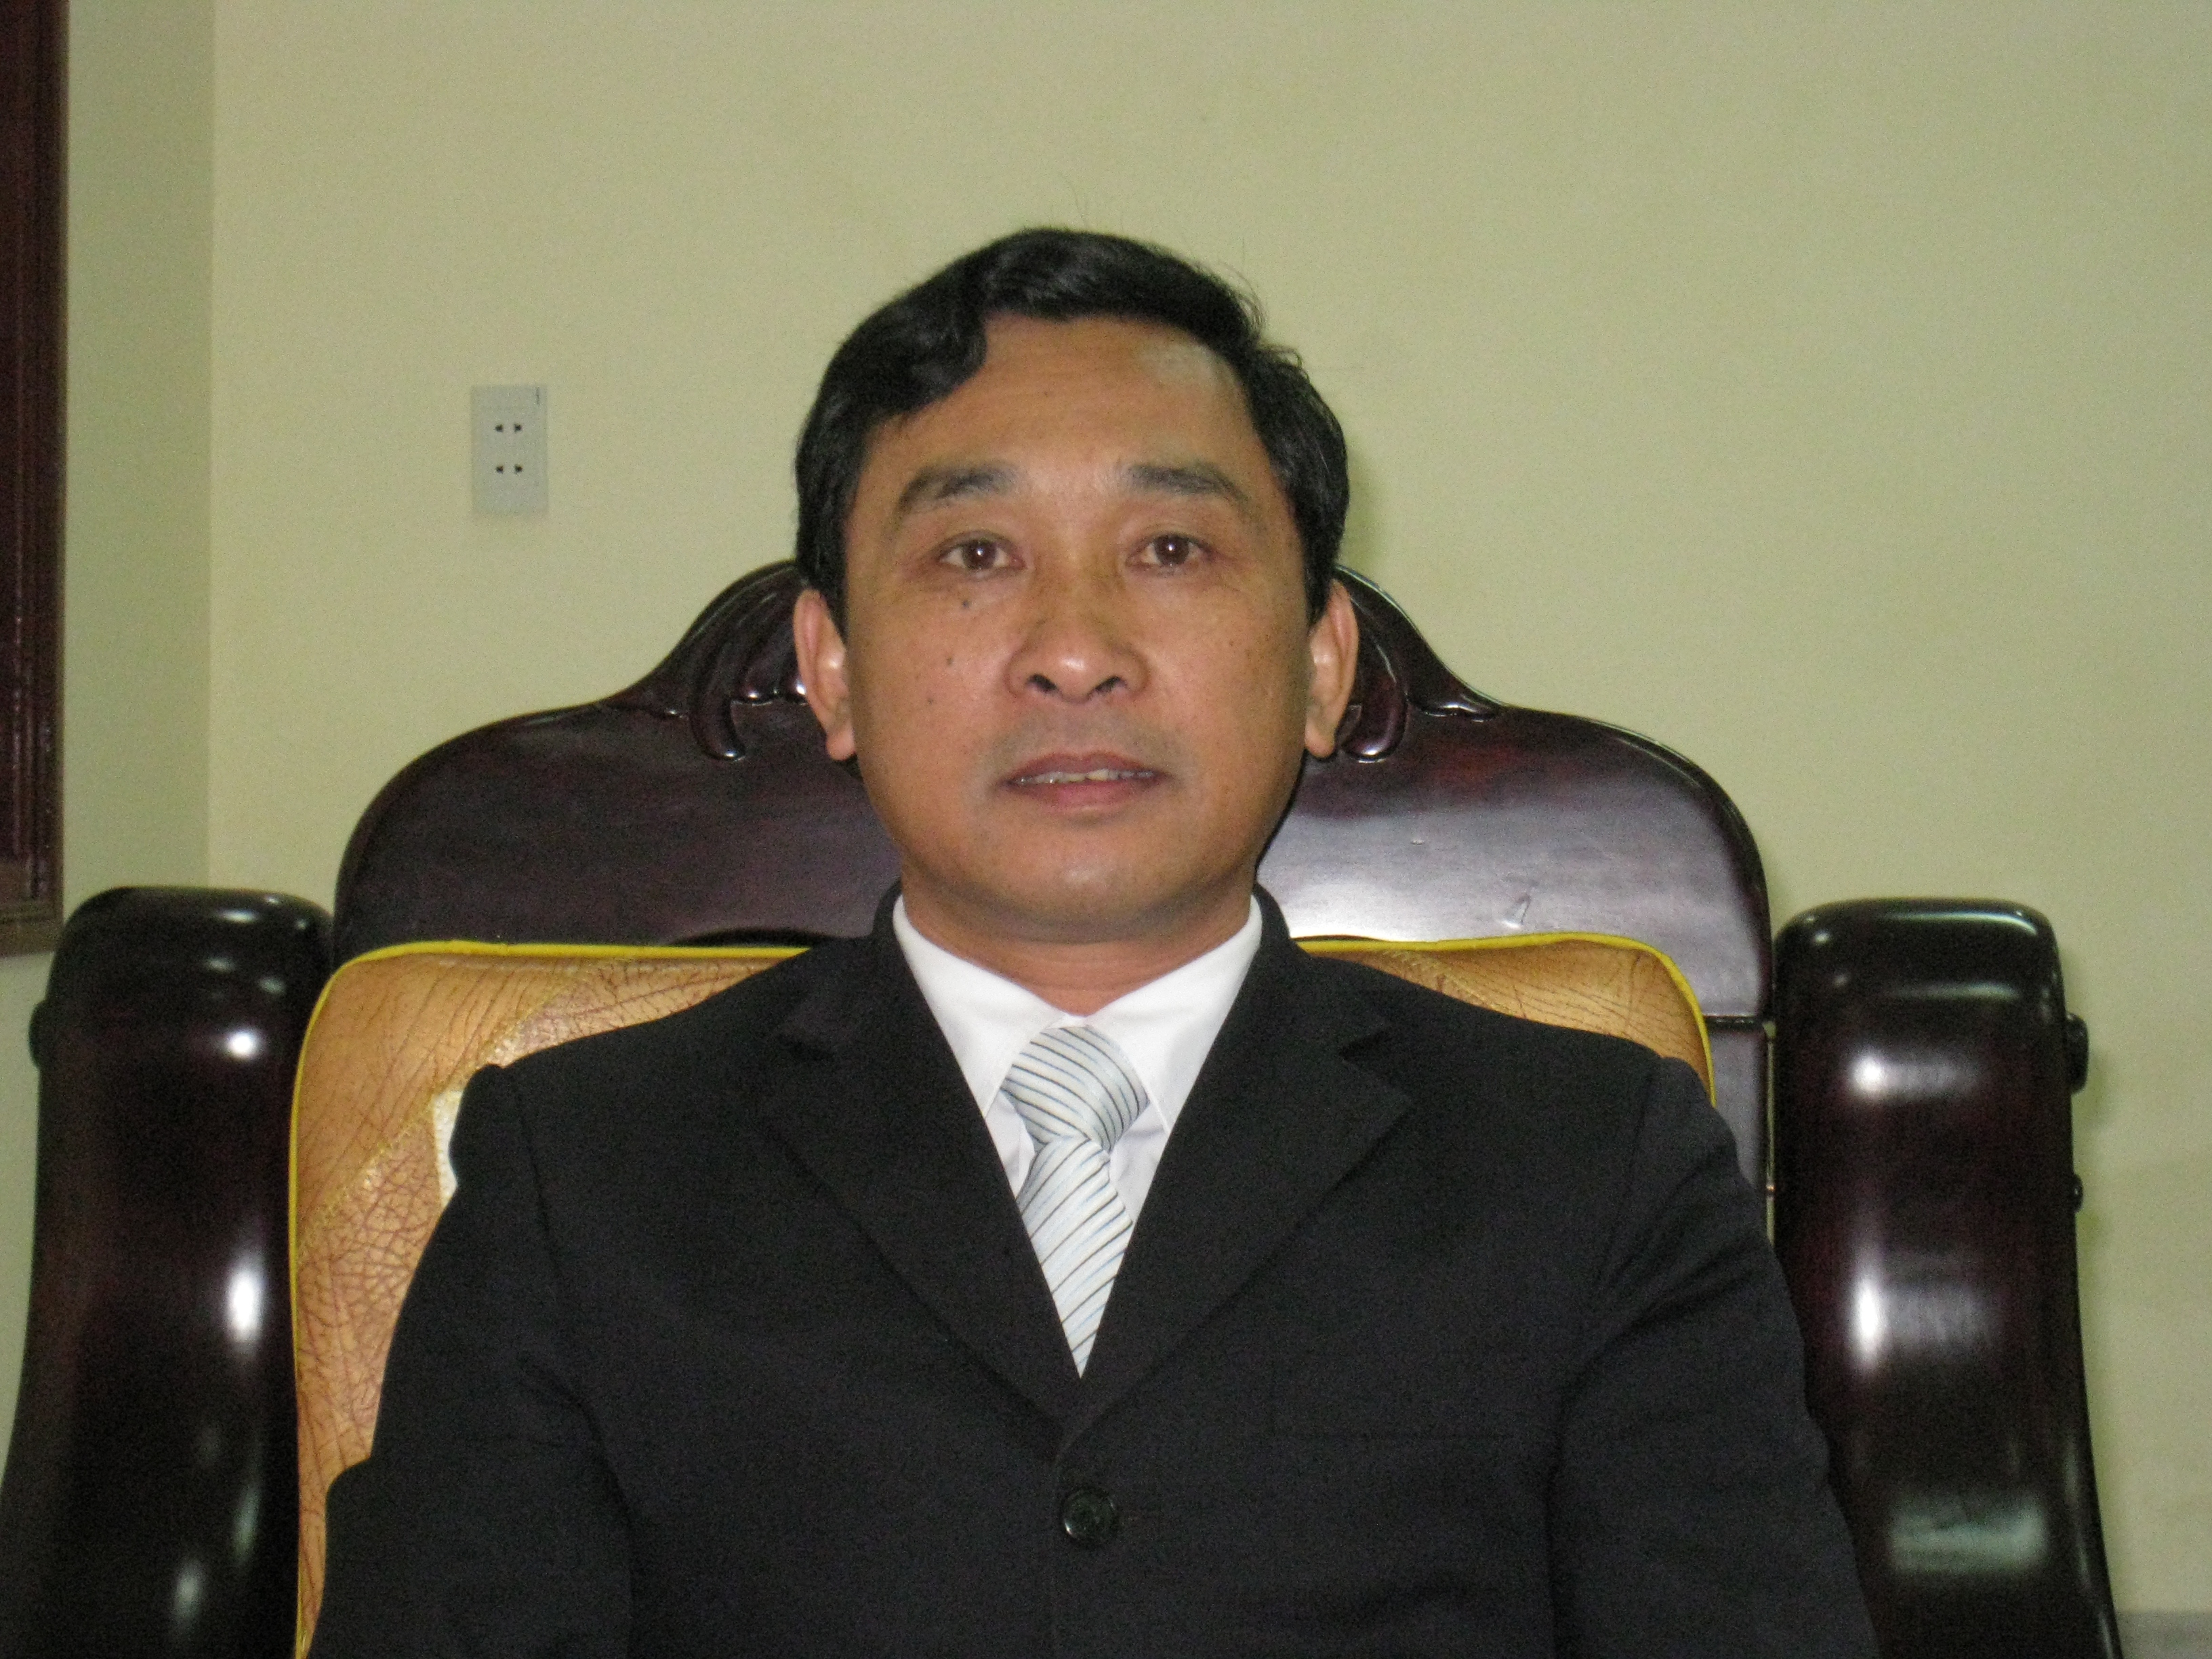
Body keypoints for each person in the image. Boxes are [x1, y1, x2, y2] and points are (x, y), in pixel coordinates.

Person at [313, 229, 1876, 1656]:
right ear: (833, 669)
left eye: (1172, 551)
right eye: (975, 556)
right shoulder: (583, 1171)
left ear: (1322, 665)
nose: (1074, 651)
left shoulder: (1592, 1164)